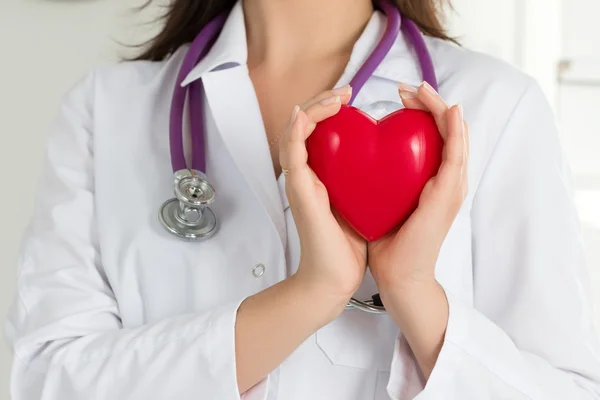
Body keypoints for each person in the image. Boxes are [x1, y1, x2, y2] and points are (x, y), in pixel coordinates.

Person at [5, 0, 600, 399]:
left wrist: (415, 292)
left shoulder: (494, 108)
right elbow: (44, 381)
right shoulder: (106, 110)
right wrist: (309, 296)